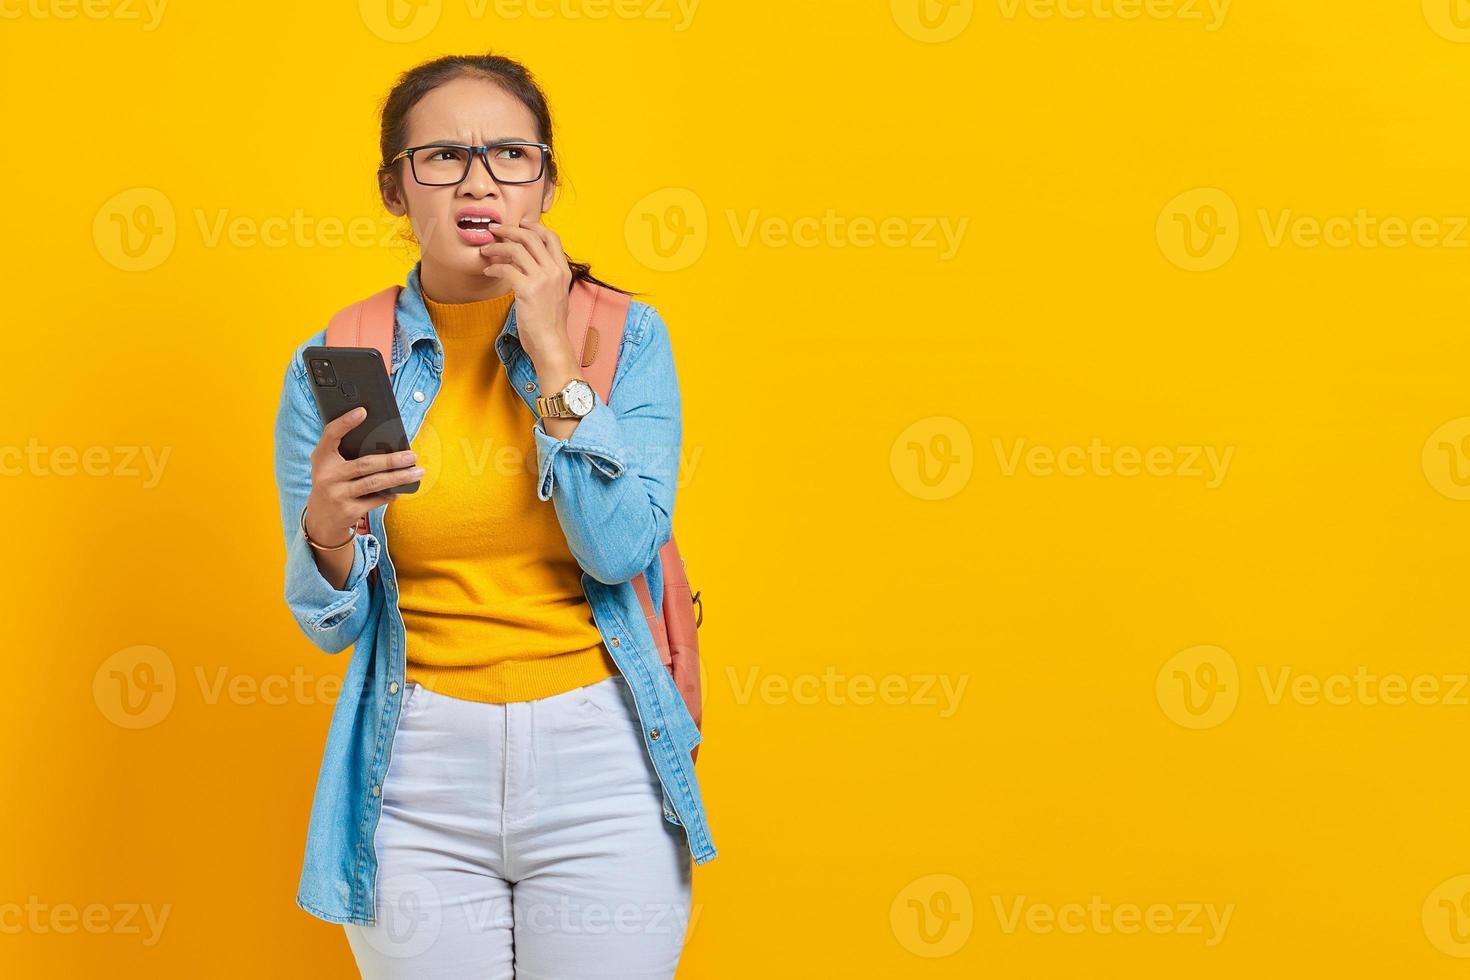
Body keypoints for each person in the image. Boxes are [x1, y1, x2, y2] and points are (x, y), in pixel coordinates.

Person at [271, 52, 715, 978]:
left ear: (545, 182)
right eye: (442, 157)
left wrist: (553, 352)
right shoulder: (344, 355)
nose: (479, 181)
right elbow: (332, 624)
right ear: (396, 189)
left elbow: (619, 547)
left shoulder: (622, 337)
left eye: (510, 154)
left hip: (602, 764)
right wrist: (326, 530)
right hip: (415, 768)